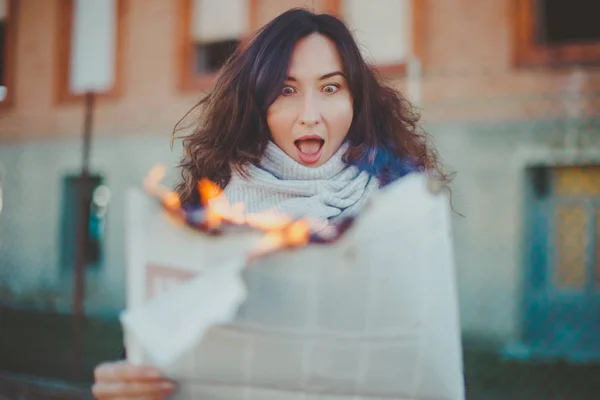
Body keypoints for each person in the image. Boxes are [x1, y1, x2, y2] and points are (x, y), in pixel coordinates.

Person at [91, 7, 450, 400]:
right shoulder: (209, 218)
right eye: (286, 90)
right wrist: (126, 385)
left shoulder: (397, 210)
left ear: (356, 101)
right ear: (257, 104)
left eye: (330, 88)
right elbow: (162, 358)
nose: (309, 116)